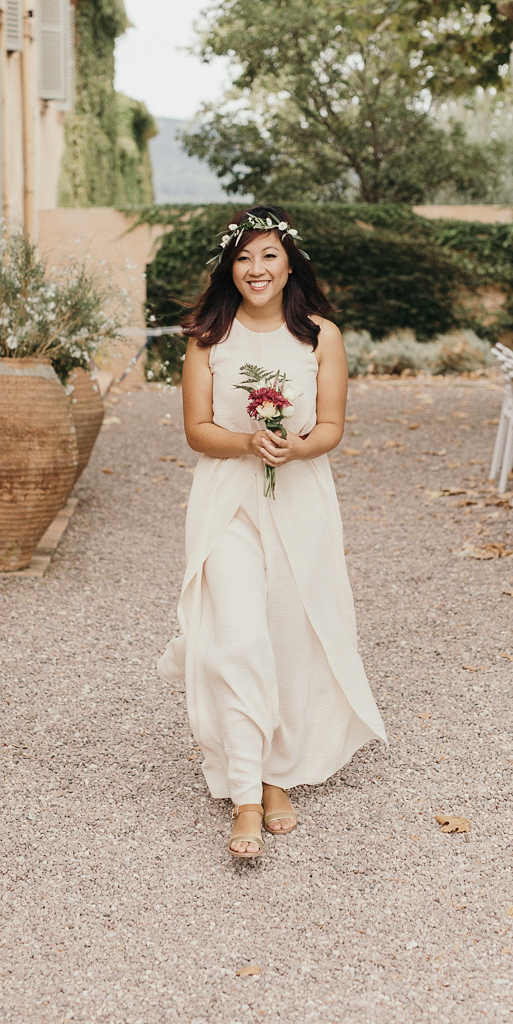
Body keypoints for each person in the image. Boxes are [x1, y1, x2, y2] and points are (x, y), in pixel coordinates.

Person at [157, 206, 386, 858]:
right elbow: (197, 430)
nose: (256, 270)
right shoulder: (208, 339)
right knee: (239, 637)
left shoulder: (321, 338)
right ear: (231, 267)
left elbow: (333, 427)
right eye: (244, 258)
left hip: (300, 500)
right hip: (227, 501)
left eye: (268, 257)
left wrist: (298, 447)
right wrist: (246, 441)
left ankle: (274, 772)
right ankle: (248, 798)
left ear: (290, 265)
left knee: (288, 636)